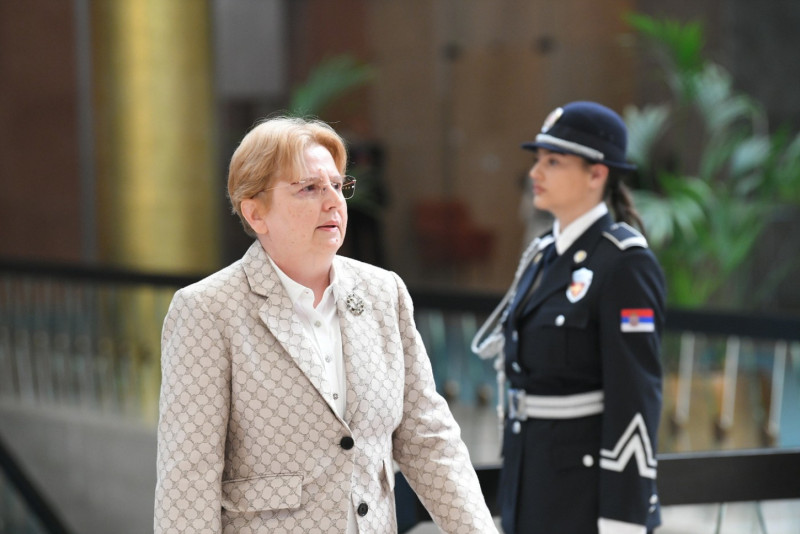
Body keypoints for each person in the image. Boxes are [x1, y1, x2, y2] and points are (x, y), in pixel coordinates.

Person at [154, 116, 498, 534]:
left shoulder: (383, 292)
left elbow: (428, 439)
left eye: (338, 185)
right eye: (310, 188)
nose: (334, 201)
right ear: (255, 212)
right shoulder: (208, 310)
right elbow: (187, 480)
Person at [472, 101, 666, 534]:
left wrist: (623, 517)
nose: (535, 172)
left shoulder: (624, 262)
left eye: (553, 162)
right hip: (530, 478)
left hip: (584, 496)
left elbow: (635, 395)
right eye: (538, 159)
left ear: (597, 174)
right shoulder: (542, 254)